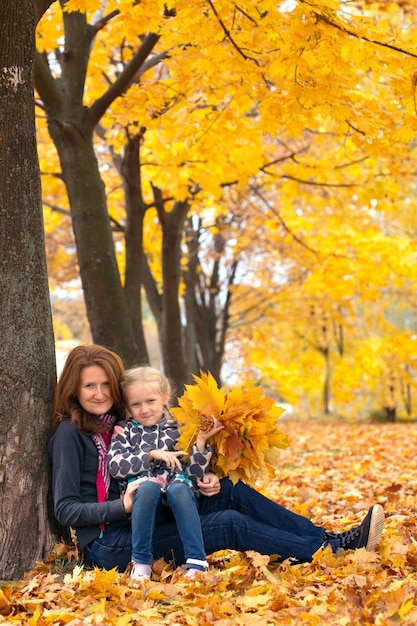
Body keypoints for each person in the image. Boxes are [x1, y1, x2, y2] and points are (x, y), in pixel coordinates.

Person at [48, 344, 385, 577]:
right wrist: (121, 507)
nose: (100, 393)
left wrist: (200, 480)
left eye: (106, 384)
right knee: (229, 524)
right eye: (89, 385)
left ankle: (330, 540)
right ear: (73, 389)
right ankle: (331, 553)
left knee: (227, 490)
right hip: (110, 544)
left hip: (150, 514)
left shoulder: (118, 423)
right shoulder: (70, 434)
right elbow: (66, 510)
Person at [107, 366, 224, 579]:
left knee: (180, 488)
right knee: (148, 487)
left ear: (165, 397)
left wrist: (200, 444)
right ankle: (141, 563)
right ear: (127, 406)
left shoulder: (179, 427)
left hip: (180, 503)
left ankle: (197, 563)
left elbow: (195, 476)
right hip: (146, 506)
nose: (144, 410)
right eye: (136, 404)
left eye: (150, 401)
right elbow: (115, 466)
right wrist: (150, 455)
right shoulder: (125, 430)